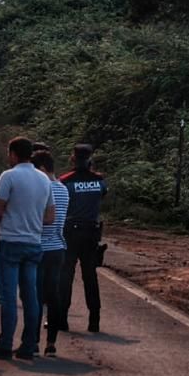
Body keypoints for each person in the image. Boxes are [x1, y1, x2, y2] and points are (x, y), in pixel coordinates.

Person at [0, 136, 55, 361]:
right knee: (31, 297)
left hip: (10, 242)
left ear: (13, 154)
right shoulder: (44, 179)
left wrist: (9, 214)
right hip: (34, 243)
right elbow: (50, 217)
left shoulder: (9, 176)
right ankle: (29, 344)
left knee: (8, 297)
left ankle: (5, 344)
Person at [57, 143, 107, 333]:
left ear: (72, 158)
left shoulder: (65, 181)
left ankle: (62, 319)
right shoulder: (100, 181)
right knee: (90, 276)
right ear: (90, 159)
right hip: (91, 233)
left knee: (66, 276)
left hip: (70, 233)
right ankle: (94, 320)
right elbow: (102, 196)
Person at [32, 149, 68, 357]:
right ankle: (51, 343)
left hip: (40, 248)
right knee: (53, 296)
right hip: (58, 250)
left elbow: (42, 220)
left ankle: (34, 342)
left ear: (43, 169)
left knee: (35, 296)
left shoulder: (42, 188)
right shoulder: (64, 189)